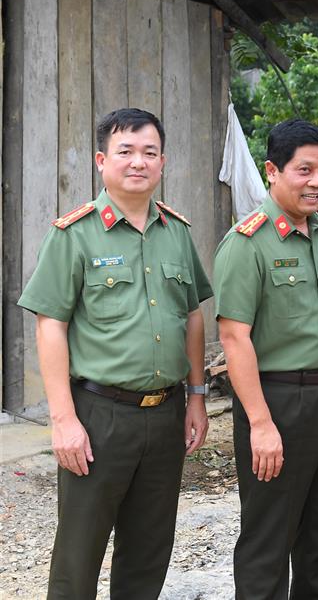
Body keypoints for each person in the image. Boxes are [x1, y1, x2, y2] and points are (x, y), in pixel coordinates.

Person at [17, 108, 213, 599]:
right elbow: (51, 325)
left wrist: (195, 397)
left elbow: (192, 317)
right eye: (125, 151)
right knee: (80, 553)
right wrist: (63, 420)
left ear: (162, 163)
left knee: (149, 550)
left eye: (149, 152)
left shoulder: (176, 232)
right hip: (98, 415)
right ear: (102, 160)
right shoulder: (74, 234)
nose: (138, 162)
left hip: (165, 413)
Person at [213, 119, 318, 599]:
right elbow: (234, 339)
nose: (317, 182)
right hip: (276, 402)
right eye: (304, 170)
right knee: (268, 538)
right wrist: (260, 423)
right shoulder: (247, 242)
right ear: (272, 171)